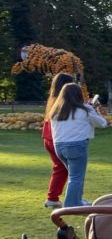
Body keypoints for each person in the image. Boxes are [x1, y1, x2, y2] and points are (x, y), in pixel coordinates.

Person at [49, 82, 107, 208]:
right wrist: (95, 109)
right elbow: (102, 123)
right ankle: (72, 203)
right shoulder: (85, 109)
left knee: (74, 175)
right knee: (76, 177)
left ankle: (77, 199)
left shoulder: (56, 110)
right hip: (77, 146)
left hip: (59, 146)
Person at [41, 72, 75, 208]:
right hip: (56, 139)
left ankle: (53, 197)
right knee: (68, 170)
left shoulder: (52, 99)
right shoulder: (62, 101)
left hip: (48, 138)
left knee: (60, 169)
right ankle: (55, 198)